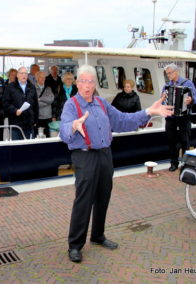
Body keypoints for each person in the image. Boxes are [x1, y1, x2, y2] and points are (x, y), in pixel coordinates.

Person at [60, 65, 173, 263]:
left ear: (95, 84)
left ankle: (98, 236)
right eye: (83, 81)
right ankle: (75, 245)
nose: (87, 86)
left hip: (105, 155)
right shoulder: (71, 105)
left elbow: (122, 120)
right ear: (77, 83)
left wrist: (148, 111)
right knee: (84, 200)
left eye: (90, 81)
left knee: (103, 196)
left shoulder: (102, 103)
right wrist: (74, 125)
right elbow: (63, 131)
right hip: (84, 156)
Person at [162, 63, 196, 172]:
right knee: (171, 140)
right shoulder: (167, 86)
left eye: (169, 73)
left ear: (176, 72)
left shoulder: (187, 83)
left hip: (184, 116)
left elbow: (195, 97)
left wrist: (190, 100)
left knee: (184, 140)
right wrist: (164, 99)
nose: (168, 76)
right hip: (171, 117)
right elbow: (163, 100)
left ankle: (185, 164)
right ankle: (174, 163)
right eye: (167, 74)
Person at [3, 67, 39, 140]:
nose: (24, 75)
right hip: (16, 124)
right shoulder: (10, 87)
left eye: (26, 73)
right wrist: (14, 110)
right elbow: (5, 103)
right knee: (16, 149)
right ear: (18, 75)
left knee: (29, 148)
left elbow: (36, 105)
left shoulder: (32, 87)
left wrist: (35, 120)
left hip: (29, 124)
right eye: (22, 73)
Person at [35, 71, 54, 138]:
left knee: (48, 136)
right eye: (41, 77)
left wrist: (40, 99)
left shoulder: (48, 88)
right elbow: (35, 103)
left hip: (48, 116)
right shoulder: (33, 89)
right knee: (38, 137)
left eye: (44, 77)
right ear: (37, 78)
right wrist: (47, 103)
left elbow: (51, 99)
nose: (43, 79)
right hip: (38, 117)